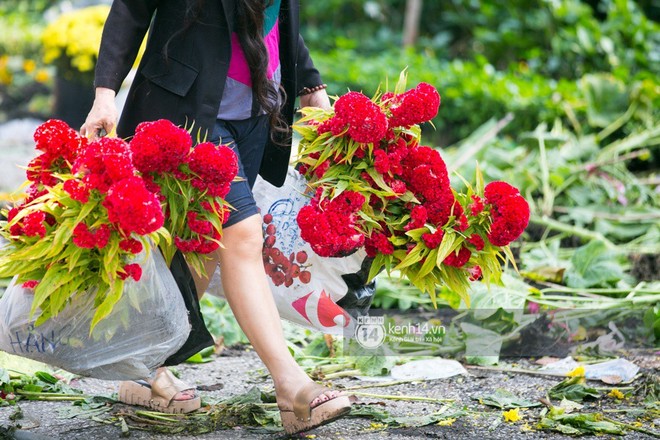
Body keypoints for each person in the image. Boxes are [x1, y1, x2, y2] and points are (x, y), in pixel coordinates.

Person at [80, 0, 351, 434]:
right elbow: (131, 9)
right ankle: (291, 385)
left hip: (256, 112)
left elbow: (276, 18)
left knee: (200, 250)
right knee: (243, 234)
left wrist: (313, 91)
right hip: (189, 109)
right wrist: (104, 95)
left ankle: (142, 367)